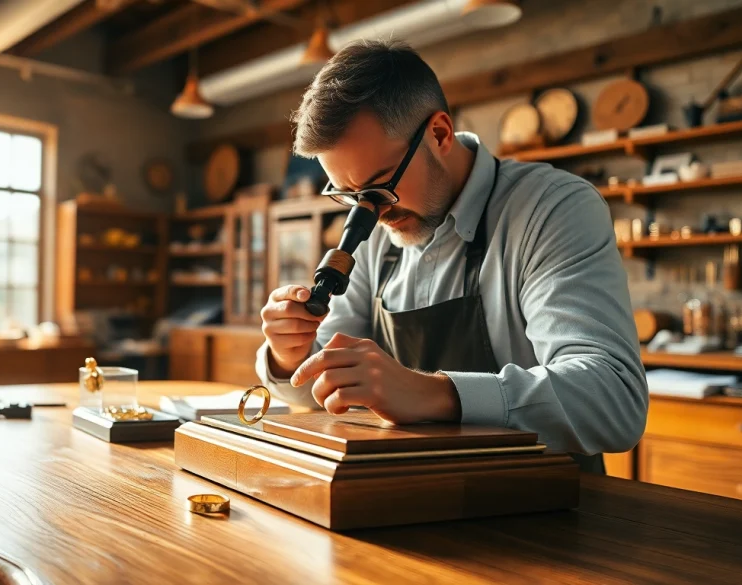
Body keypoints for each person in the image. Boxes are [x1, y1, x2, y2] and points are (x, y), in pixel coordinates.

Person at [255, 40, 648, 472]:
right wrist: (291, 354)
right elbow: (324, 388)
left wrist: (432, 393)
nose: (374, 213)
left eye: (379, 185)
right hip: (410, 504)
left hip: (545, 510)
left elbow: (615, 400)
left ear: (439, 133)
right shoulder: (377, 233)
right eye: (348, 196)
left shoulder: (551, 208)